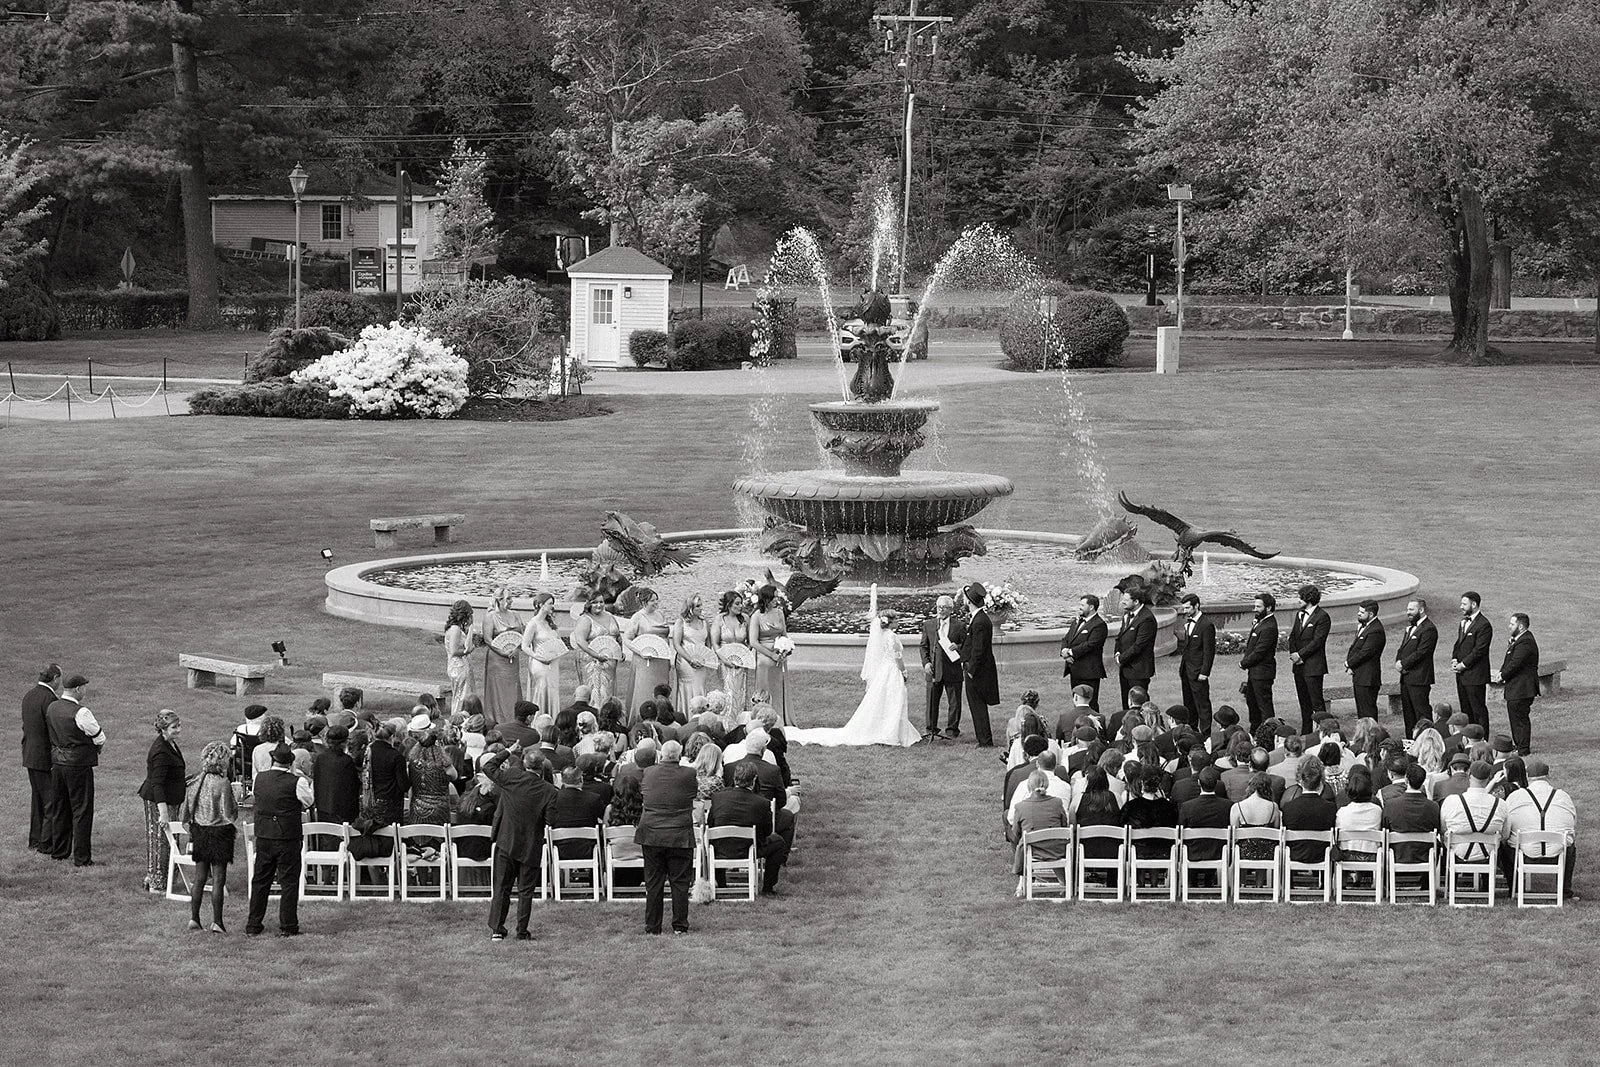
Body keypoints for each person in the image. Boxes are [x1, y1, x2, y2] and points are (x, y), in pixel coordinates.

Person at [790, 601, 920, 748]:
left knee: (884, 700)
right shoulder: (892, 637)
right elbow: (898, 657)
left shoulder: (881, 635)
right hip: (892, 671)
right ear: (890, 622)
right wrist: (904, 671)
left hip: (884, 670)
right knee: (894, 699)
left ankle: (886, 728)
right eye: (896, 619)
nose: (898, 621)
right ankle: (890, 731)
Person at [481, 742, 556, 941]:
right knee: (525, 891)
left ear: (524, 763)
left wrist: (506, 752)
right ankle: (521, 931)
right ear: (541, 767)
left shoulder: (513, 777)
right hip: (530, 844)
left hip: (507, 840)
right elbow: (551, 821)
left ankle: (497, 928)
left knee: (502, 887)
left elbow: (488, 767)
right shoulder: (548, 790)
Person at [246, 744, 312, 937]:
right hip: (287, 837)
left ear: (273, 760)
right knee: (289, 882)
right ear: (290, 763)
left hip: (265, 835)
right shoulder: (297, 782)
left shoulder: (260, 779)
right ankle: (289, 926)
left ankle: (253, 924)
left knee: (260, 881)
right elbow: (308, 801)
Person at [636, 738, 699, 935]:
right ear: (679, 756)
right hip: (679, 834)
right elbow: (693, 794)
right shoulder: (689, 773)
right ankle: (680, 925)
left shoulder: (649, 772)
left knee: (653, 882)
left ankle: (653, 926)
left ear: (661, 755)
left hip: (653, 833)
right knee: (679, 882)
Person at [46, 674, 105, 866]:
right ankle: (82, 857)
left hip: (57, 764)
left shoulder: (52, 707)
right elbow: (99, 736)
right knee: (81, 810)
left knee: (60, 807)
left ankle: (60, 851)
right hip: (78, 765)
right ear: (78, 689)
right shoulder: (81, 712)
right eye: (85, 687)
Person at [181, 741, 240, 933]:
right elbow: (230, 813)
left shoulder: (196, 781)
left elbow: (188, 809)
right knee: (218, 879)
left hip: (200, 831)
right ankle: (217, 922)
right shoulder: (223, 783)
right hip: (219, 832)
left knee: (199, 878)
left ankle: (194, 918)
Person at [708, 761, 791, 894]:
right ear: (754, 780)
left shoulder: (718, 798)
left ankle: (722, 884)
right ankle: (768, 887)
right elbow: (767, 831)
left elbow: (710, 823)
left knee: (718, 840)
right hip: (749, 848)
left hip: (720, 848)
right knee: (779, 842)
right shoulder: (762, 802)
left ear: (735, 778)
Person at [1500, 758, 1577, 899]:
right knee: (1571, 846)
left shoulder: (1515, 797)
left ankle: (1514, 888)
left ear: (1528, 778)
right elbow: (1572, 826)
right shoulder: (1563, 796)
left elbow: (1506, 829)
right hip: (1557, 854)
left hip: (1523, 854)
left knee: (1503, 844)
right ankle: (1565, 890)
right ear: (1548, 777)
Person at [138, 709, 186, 893]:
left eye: (179, 725)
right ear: (164, 729)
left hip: (171, 799)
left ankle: (162, 879)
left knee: (170, 840)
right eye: (174, 727)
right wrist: (163, 812)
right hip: (159, 801)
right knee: (160, 840)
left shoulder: (170, 744)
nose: (179, 730)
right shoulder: (161, 752)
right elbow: (157, 784)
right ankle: (156, 883)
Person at [21, 663, 62, 855]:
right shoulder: (50, 699)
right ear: (55, 679)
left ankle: (35, 840)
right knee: (50, 801)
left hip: (29, 754)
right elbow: (52, 731)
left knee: (37, 799)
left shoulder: (29, 695)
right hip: (44, 757)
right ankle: (46, 844)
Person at [1011, 770, 1069, 886]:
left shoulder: (1021, 807)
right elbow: (1064, 825)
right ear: (1046, 784)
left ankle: (1022, 883)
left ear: (1029, 785)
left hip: (1033, 851)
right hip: (1056, 850)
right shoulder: (1057, 803)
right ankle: (1064, 883)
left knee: (1021, 842)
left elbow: (1016, 832)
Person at [959, 581, 999, 747]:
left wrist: (971, 670)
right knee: (976, 706)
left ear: (969, 601)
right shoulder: (979, 619)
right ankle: (982, 737)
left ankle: (985, 740)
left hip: (977, 671)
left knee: (978, 706)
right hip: (976, 669)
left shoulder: (980, 621)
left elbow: (979, 649)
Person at [920, 595, 965, 738]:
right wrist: (926, 663)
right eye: (939, 607)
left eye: (944, 607)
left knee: (954, 702)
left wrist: (957, 646)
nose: (940, 610)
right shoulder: (928, 625)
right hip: (933, 669)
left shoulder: (960, 626)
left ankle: (952, 730)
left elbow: (966, 646)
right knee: (932, 701)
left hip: (953, 670)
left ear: (951, 609)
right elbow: (923, 646)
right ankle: (931, 729)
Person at [1494, 612, 1539, 756]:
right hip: (1517, 687)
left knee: (1520, 717)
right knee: (1515, 716)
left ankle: (1523, 748)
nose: (1509, 626)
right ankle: (1519, 745)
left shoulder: (1525, 641)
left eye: (1512, 624)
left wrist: (1502, 675)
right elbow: (1510, 660)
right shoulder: (1518, 640)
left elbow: (1516, 663)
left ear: (1520, 626)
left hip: (1522, 687)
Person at [1289, 584, 1331, 734]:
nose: (1298, 600)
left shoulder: (1322, 617)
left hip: (1313, 666)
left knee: (1316, 702)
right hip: (1299, 666)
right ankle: (1306, 732)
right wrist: (1294, 655)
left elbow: (1318, 641)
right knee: (1304, 702)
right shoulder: (1299, 614)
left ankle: (1325, 732)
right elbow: (1293, 636)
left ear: (1309, 599)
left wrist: (1301, 655)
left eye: (1301, 597)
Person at [1382, 762, 1441, 868]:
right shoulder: (1433, 806)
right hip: (1425, 855)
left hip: (1397, 854)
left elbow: (1385, 828)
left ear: (1406, 780)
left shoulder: (1391, 805)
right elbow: (1437, 829)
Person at [1280, 757, 1337, 867]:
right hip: (1321, 855)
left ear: (1301, 782)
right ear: (1320, 783)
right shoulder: (1330, 808)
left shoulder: (1289, 807)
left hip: (1295, 854)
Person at [480, 585, 523, 729]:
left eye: (511, 598)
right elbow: (487, 639)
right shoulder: (490, 617)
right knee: (499, 689)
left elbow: (521, 636)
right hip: (497, 659)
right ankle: (499, 720)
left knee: (513, 688)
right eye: (508, 598)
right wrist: (502, 651)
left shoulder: (516, 614)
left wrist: (516, 648)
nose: (511, 601)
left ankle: (514, 718)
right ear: (499, 600)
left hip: (513, 659)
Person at [749, 584, 791, 726]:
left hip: (779, 658)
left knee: (778, 688)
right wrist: (771, 655)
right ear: (766, 599)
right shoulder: (756, 616)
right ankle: (764, 720)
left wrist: (786, 650)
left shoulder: (779, 613)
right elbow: (753, 642)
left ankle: (780, 718)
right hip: (764, 658)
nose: (776, 601)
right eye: (774, 598)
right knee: (765, 690)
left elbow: (784, 634)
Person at [1451, 591, 1493, 733]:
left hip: (1475, 675)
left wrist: (1463, 665)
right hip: (1462, 675)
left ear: (1473, 604)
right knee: (1465, 710)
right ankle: (1468, 739)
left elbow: (1479, 650)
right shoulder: (1463, 622)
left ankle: (1482, 738)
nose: (1461, 606)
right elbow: (1458, 644)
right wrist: (1455, 660)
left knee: (1478, 710)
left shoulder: (1484, 625)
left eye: (1464, 603)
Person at [1396, 598, 1438, 738]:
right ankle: (1410, 744)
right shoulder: (1410, 628)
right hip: (1406, 678)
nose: (1408, 612)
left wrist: (1404, 664)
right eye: (1407, 609)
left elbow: (1422, 652)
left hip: (1419, 678)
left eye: (1411, 610)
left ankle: (1427, 741)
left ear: (1421, 610)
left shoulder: (1429, 629)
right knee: (1408, 715)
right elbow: (1402, 648)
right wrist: (1398, 661)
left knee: (1422, 714)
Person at [1060, 594, 1108, 714]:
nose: (1079, 607)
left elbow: (1091, 644)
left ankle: (1095, 728)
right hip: (1075, 669)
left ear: (1091, 607)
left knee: (1089, 704)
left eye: (1082, 605)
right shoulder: (1076, 621)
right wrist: (1064, 651)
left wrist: (1071, 652)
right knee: (1077, 702)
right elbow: (1066, 639)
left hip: (1089, 672)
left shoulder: (1099, 625)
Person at [518, 593, 564, 716]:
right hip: (539, 663)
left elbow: (558, 642)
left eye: (552, 603)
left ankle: (553, 718)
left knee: (553, 690)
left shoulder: (550, 623)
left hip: (553, 663)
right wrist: (538, 657)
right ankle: (539, 718)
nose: (552, 606)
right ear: (540, 605)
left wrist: (555, 652)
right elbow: (525, 646)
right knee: (542, 689)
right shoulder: (533, 624)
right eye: (550, 604)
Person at [1175, 594, 1215, 735]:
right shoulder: (1188, 623)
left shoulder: (1206, 625)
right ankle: (1191, 729)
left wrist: (1205, 672)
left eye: (1187, 608)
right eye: (1183, 608)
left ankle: (1205, 733)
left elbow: (1209, 651)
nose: (1185, 611)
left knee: (1202, 703)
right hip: (1186, 670)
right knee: (1189, 703)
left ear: (1196, 606)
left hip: (1198, 672)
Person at [1239, 594, 1278, 731]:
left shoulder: (1269, 626)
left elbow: (1260, 651)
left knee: (1264, 705)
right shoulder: (1261, 622)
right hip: (1255, 671)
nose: (1255, 609)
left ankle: (1269, 733)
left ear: (1268, 607)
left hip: (1263, 672)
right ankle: (1255, 731)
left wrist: (1244, 663)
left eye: (1258, 606)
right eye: (1255, 606)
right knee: (1252, 702)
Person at [671, 594, 715, 714]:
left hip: (701, 661)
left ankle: (701, 714)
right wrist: (690, 660)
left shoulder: (705, 622)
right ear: (690, 608)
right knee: (687, 687)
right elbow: (677, 644)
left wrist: (705, 658)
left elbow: (708, 643)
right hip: (686, 661)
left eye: (701, 605)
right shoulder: (681, 623)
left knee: (700, 686)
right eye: (698, 606)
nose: (701, 608)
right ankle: (686, 714)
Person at [1114, 588, 1157, 711]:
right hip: (1126, 668)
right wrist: (1117, 653)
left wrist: (1121, 659)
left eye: (1126, 600)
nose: (1123, 602)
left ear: (1136, 601)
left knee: (1139, 705)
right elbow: (1120, 637)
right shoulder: (1127, 615)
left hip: (1138, 669)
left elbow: (1139, 646)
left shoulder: (1146, 618)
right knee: (1126, 704)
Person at [1344, 600, 1386, 721]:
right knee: (1362, 712)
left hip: (1368, 678)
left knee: (1367, 712)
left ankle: (1371, 737)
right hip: (1361, 676)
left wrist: (1348, 663)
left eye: (1362, 612)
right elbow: (1355, 648)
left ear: (1371, 614)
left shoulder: (1375, 630)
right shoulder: (1365, 627)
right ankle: (1364, 735)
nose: (1358, 613)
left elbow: (1366, 652)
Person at [712, 590, 753, 716]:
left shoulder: (745, 619)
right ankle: (726, 722)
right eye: (737, 604)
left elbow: (751, 641)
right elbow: (715, 643)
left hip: (741, 664)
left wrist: (743, 656)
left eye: (741, 603)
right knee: (728, 692)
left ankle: (740, 719)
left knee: (741, 692)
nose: (740, 606)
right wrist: (724, 660)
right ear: (729, 605)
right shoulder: (719, 619)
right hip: (725, 663)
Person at [311, 725, 361, 824]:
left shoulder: (320, 758)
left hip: (323, 809)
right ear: (345, 742)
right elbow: (353, 786)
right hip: (343, 812)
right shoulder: (346, 761)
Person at [443, 599, 481, 712]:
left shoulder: (456, 628)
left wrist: (470, 631)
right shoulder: (456, 629)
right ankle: (458, 718)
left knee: (460, 696)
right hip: (458, 667)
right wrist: (467, 651)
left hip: (458, 665)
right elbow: (454, 651)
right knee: (461, 697)